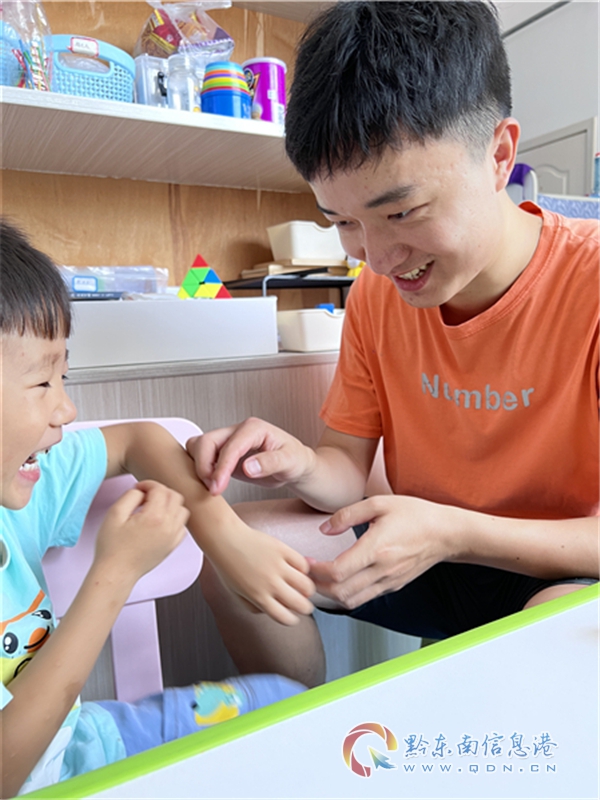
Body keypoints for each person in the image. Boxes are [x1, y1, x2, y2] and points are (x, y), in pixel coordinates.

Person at [187, 0, 599, 689]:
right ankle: (301, 728)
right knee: (230, 547)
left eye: (401, 212)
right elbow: (346, 471)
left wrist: (452, 531)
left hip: (562, 566)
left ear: (499, 156)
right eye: (342, 221)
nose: (376, 258)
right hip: (428, 553)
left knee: (556, 630)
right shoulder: (378, 296)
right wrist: (298, 464)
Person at [0, 219, 310, 797]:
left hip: (83, 742)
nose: (66, 410)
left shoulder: (20, 485)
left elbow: (138, 439)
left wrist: (227, 540)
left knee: (287, 706)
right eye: (42, 383)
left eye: (63, 376)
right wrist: (116, 573)